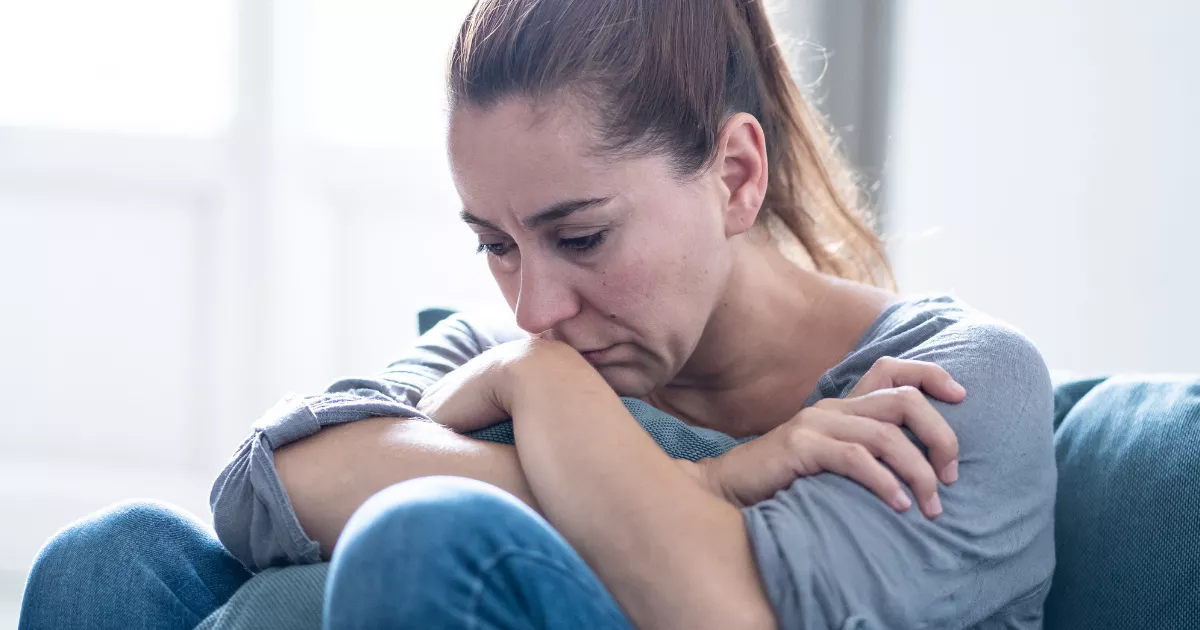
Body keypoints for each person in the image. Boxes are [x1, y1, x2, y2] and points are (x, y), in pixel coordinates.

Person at [19, 0, 1057, 628]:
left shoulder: (951, 387)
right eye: (496, 243)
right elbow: (267, 484)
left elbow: (723, 611)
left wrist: (543, 394)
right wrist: (702, 474)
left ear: (736, 175)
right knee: (108, 562)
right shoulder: (534, 352)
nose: (534, 306)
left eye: (583, 235)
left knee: (423, 539)